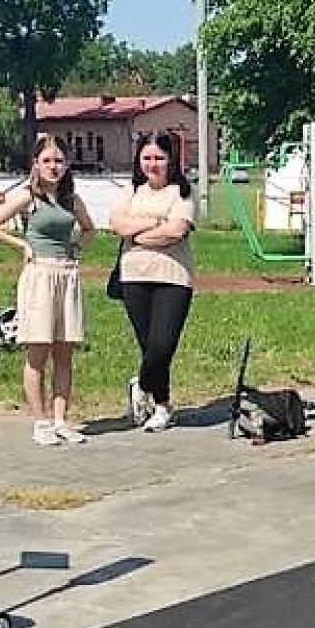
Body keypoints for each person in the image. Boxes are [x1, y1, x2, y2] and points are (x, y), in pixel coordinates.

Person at [0, 134, 95, 445]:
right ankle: (41, 422)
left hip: (67, 275)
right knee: (38, 352)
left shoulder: (72, 200)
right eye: (47, 161)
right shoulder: (27, 197)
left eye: (59, 161)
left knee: (64, 354)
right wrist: (22, 245)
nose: (53, 167)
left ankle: (60, 420)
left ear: (67, 165)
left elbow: (89, 229)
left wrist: (78, 247)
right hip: (40, 276)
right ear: (36, 164)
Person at [109, 131, 197, 432]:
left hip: (174, 277)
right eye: (146, 157)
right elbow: (118, 225)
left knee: (162, 345)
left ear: (171, 160)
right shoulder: (131, 191)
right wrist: (154, 223)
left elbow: (176, 231)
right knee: (148, 346)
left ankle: (142, 385)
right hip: (134, 276)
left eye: (159, 157)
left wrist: (137, 235)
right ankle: (162, 406)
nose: (152, 164)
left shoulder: (182, 192)